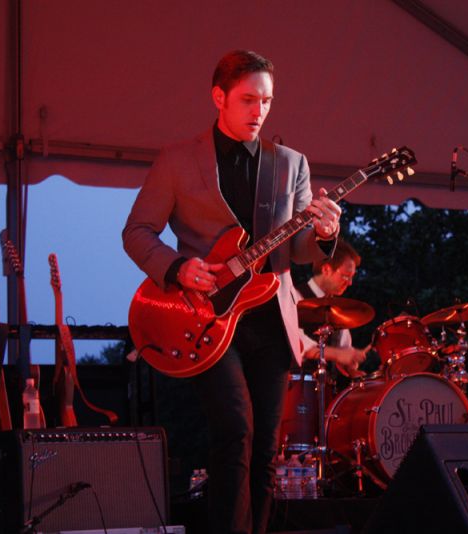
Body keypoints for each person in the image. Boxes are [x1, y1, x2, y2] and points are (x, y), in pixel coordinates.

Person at [122, 50, 341, 534]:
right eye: (247, 99)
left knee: (265, 447)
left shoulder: (291, 164)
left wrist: (324, 232)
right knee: (235, 433)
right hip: (209, 319)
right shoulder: (178, 161)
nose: (258, 111)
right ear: (218, 97)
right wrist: (179, 268)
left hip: (269, 321)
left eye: (266, 101)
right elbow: (137, 231)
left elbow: (302, 251)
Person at [294, 239, 368, 377]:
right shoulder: (295, 297)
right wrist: (338, 354)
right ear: (326, 269)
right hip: (295, 387)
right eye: (346, 276)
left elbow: (344, 349)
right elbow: (297, 343)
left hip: (327, 390)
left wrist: (351, 368)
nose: (350, 283)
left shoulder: (338, 308)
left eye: (352, 277)